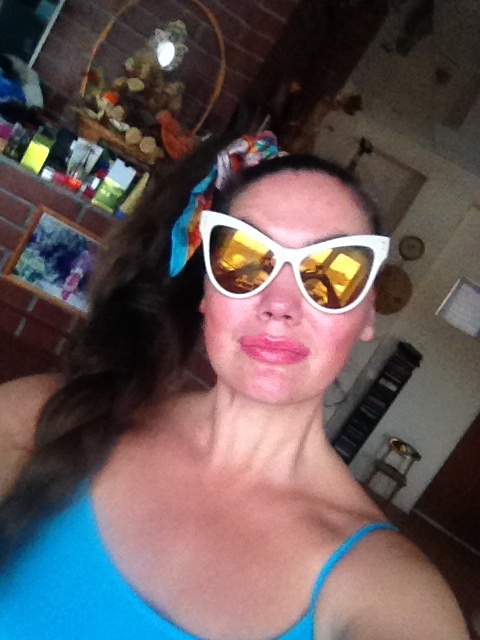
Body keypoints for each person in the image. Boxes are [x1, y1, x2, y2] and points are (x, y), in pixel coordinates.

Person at [0, 132, 469, 640]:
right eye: (245, 257)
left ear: (367, 312)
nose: (280, 304)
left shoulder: (385, 589)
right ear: (206, 289)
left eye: (333, 272)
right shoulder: (36, 418)